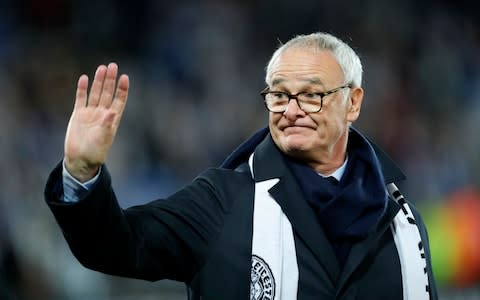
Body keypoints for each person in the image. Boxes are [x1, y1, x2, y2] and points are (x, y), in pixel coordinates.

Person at [44, 32, 438, 299]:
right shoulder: (223, 201)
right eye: (280, 95)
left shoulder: (401, 220)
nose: (293, 110)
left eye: (312, 95)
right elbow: (118, 246)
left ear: (353, 102)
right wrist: (81, 173)